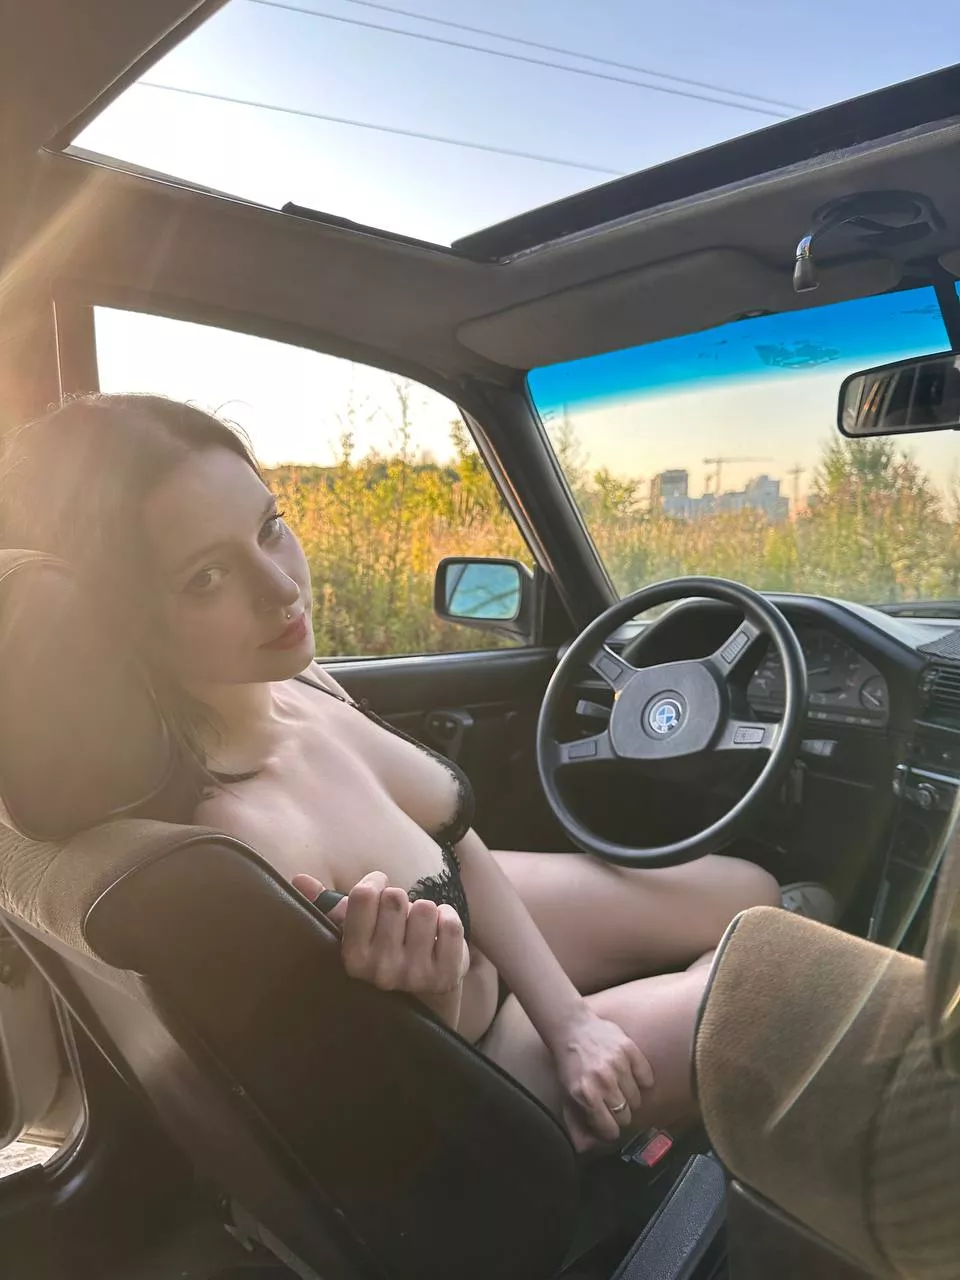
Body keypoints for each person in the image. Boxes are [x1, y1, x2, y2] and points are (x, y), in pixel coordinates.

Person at [0, 393, 781, 1152]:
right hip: (483, 1059)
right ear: (118, 622)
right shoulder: (236, 836)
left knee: (749, 890)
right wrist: (462, 1005)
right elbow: (384, 1089)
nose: (282, 591)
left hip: (488, 937)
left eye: (269, 529)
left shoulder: (296, 679)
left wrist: (573, 1017)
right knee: (771, 989)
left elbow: (454, 840)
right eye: (206, 578)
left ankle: (696, 1028)